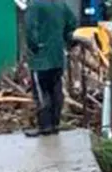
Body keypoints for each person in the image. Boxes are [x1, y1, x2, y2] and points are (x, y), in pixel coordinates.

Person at [24, 0, 78, 137]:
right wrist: (66, 40)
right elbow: (72, 23)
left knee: (41, 92)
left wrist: (34, 47)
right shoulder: (61, 4)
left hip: (41, 58)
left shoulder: (34, 5)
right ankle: (55, 124)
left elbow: (30, 28)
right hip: (58, 56)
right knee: (56, 89)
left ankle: (45, 125)